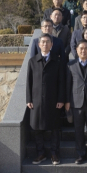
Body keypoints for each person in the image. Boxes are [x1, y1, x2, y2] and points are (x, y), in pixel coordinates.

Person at [27, 34, 65, 165]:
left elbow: (61, 82)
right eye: (42, 42)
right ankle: (41, 153)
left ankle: (54, 153)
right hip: (36, 100)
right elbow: (28, 82)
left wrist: (61, 99)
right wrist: (29, 99)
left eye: (47, 42)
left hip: (53, 99)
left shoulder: (57, 61)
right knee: (36, 127)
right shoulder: (32, 61)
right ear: (39, 44)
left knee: (54, 128)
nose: (45, 44)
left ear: (52, 44)